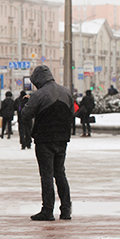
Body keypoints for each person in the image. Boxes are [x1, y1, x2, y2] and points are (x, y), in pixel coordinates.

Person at [20, 65, 74, 221]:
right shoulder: (66, 92)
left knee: (46, 175)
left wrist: (27, 103)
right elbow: (71, 114)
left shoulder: (39, 95)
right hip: (62, 138)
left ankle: (48, 210)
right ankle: (66, 209)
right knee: (60, 173)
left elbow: (25, 115)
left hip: (44, 139)